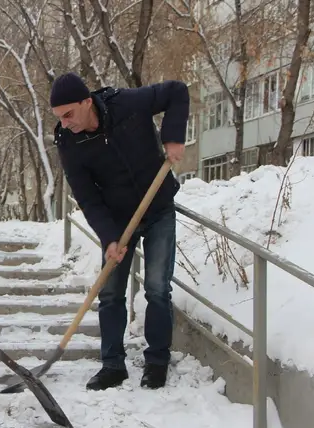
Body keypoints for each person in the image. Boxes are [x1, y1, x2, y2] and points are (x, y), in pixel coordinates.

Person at [49, 72, 188, 391]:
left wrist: (173, 137)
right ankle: (112, 365)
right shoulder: (68, 142)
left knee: (156, 287)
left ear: (87, 102)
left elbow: (177, 91)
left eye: (69, 114)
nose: (65, 122)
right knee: (110, 292)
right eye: (59, 117)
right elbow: (87, 197)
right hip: (116, 218)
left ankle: (157, 362)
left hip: (157, 207)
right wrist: (109, 237)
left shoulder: (127, 103)